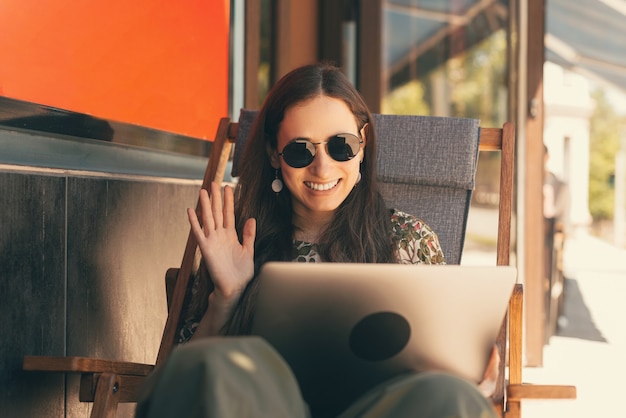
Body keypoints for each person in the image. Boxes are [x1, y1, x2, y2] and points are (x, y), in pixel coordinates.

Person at [135, 63, 499, 418]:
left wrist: (474, 380)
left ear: (363, 144)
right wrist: (227, 297)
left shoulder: (408, 240)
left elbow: (448, 360)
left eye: (340, 146)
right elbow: (180, 382)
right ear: (273, 155)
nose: (322, 168)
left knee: (449, 394)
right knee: (212, 367)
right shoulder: (239, 244)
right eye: (300, 150)